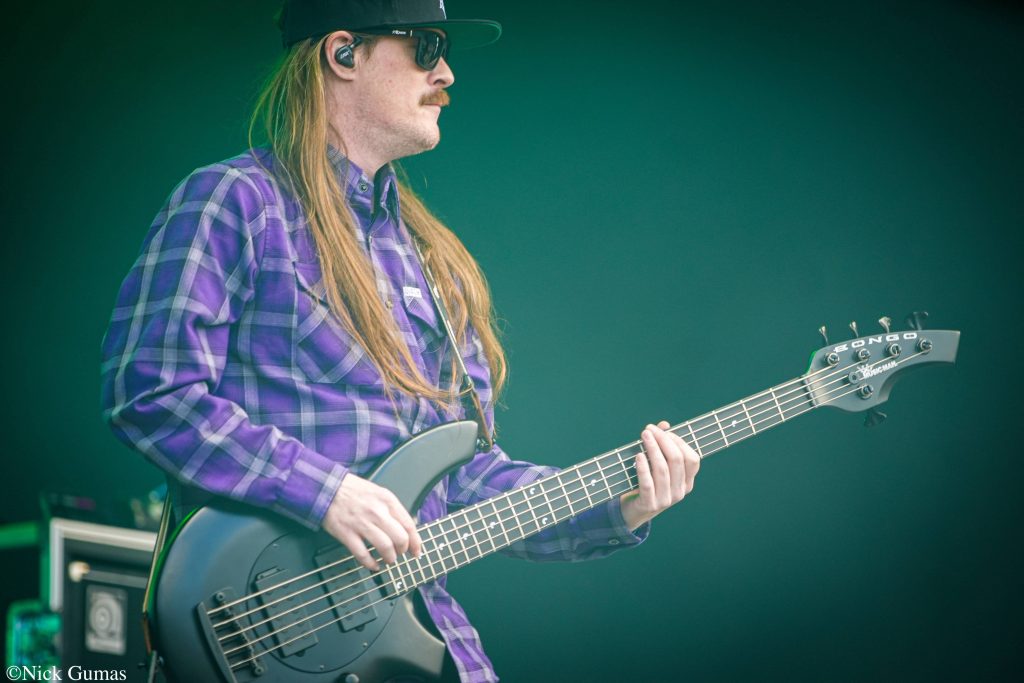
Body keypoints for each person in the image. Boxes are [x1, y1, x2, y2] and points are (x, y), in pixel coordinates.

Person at [100, 1, 701, 681]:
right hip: (261, 629)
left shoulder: (431, 258)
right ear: (343, 53)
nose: (446, 74)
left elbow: (465, 478)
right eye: (425, 47)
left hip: (419, 641)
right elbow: (151, 392)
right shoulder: (235, 201)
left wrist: (621, 501)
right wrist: (325, 491)